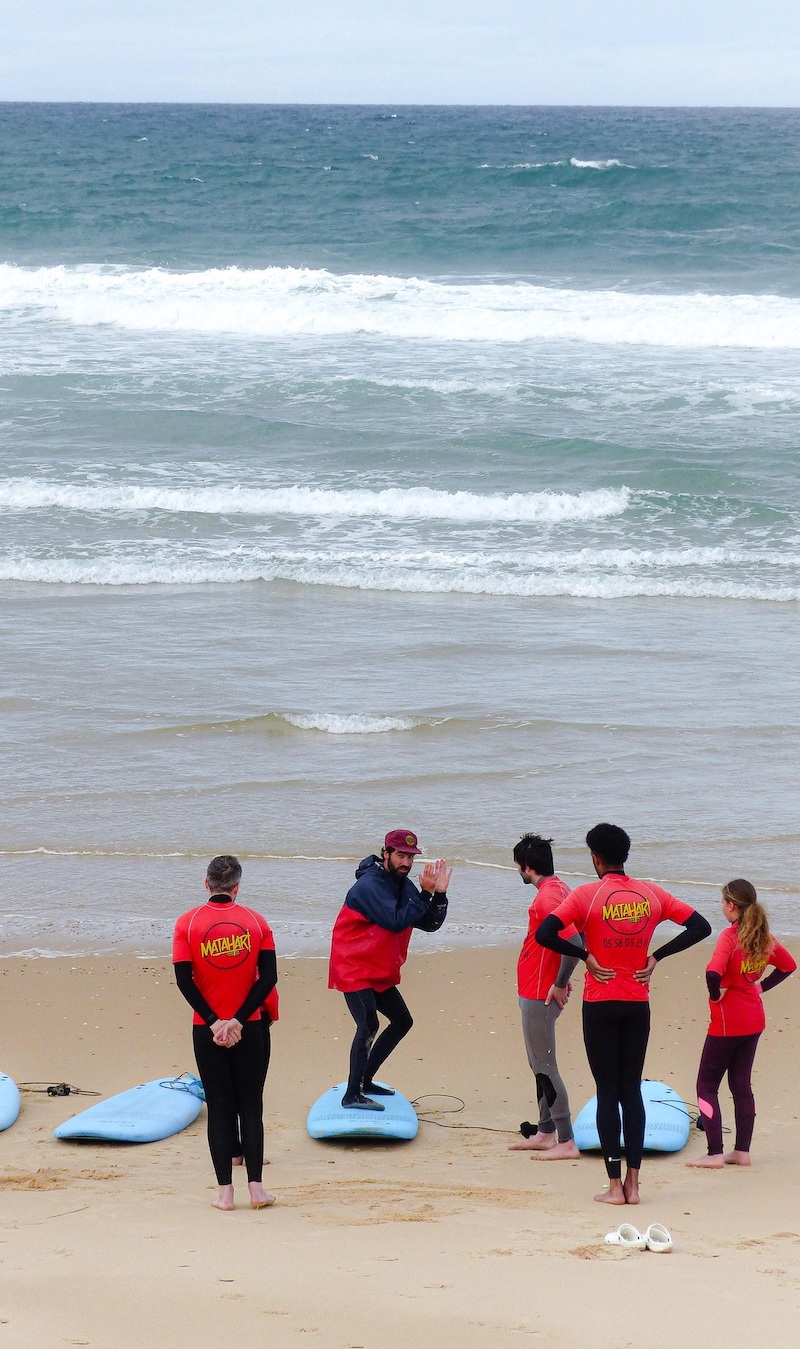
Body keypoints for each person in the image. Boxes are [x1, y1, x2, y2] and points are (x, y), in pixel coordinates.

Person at [536, 822, 711, 1205]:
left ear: (596, 859)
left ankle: (614, 1186)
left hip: (600, 1005)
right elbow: (701, 926)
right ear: (624, 856)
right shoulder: (652, 894)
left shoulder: (587, 895)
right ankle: (634, 1185)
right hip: (636, 1003)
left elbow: (545, 934)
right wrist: (657, 956)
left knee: (607, 1092)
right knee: (631, 1091)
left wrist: (586, 956)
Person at [173, 854, 277, 1211]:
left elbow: (184, 982)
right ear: (237, 887)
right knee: (250, 1105)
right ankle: (257, 1191)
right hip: (250, 1027)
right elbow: (270, 979)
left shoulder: (187, 924)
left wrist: (216, 1021)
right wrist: (238, 1020)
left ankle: (224, 1195)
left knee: (219, 1108)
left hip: (207, 1028)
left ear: (207, 884)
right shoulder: (256, 921)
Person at [329, 829, 451, 1110]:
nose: (406, 862)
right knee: (368, 1024)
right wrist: (425, 893)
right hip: (353, 966)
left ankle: (365, 1080)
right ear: (386, 853)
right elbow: (396, 920)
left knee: (402, 1021)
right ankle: (352, 1095)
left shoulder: (403, 885)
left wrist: (439, 895)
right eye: (400, 855)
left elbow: (429, 923)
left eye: (410, 856)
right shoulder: (369, 886)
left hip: (378, 969)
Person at [687, 878, 796, 1170]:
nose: (723, 907)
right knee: (740, 1085)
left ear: (731, 906)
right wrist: (759, 987)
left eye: (723, 902)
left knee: (706, 1086)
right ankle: (742, 1152)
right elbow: (788, 966)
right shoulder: (763, 936)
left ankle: (714, 1153)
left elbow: (713, 973)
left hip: (726, 1023)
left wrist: (716, 992)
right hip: (753, 1019)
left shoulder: (729, 937)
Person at [508, 833, 583, 1161]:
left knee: (544, 1066)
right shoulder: (559, 888)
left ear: (527, 867)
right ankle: (545, 1131)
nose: (519, 874)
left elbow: (576, 944)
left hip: (541, 993)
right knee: (538, 1064)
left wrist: (560, 982)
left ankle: (565, 1140)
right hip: (537, 988)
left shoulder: (546, 900)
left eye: (518, 868)